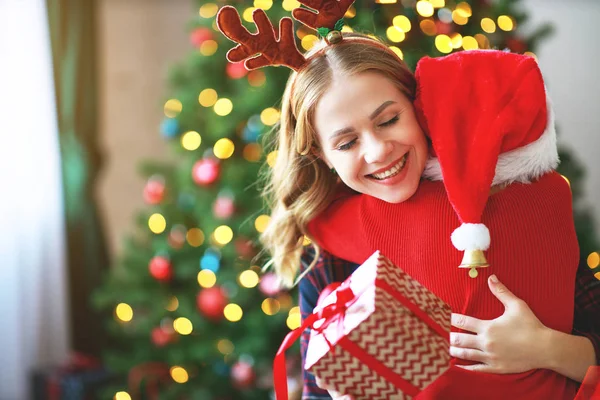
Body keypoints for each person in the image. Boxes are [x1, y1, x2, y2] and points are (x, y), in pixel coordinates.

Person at [213, 4, 599, 400]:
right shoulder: (327, 264)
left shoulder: (518, 202)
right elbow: (317, 391)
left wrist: (547, 349)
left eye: (388, 120)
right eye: (347, 142)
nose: (379, 150)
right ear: (321, 155)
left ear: (418, 109)